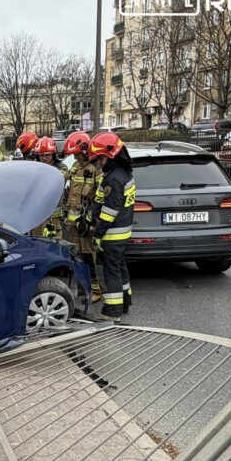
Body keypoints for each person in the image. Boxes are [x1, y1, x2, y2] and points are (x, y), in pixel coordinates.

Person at [90, 131, 135, 320]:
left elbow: (110, 211)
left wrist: (98, 234)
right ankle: (124, 302)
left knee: (110, 271)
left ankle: (112, 311)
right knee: (119, 266)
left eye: (99, 158)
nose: (99, 163)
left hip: (111, 234)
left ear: (108, 156)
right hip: (122, 232)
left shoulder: (114, 179)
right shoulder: (123, 173)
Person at [62, 131, 103, 303]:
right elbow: (68, 190)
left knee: (88, 256)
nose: (76, 157)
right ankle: (81, 288)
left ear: (86, 151)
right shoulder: (75, 167)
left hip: (87, 225)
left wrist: (95, 222)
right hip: (73, 223)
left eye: (78, 154)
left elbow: (100, 198)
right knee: (76, 256)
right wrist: (65, 212)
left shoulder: (95, 170)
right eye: (74, 155)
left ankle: (96, 290)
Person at [29, 136, 66, 238]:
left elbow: (54, 183)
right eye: (41, 155)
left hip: (52, 219)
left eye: (47, 155)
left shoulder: (61, 168)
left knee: (53, 248)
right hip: (37, 217)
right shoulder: (34, 168)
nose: (44, 158)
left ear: (53, 154)